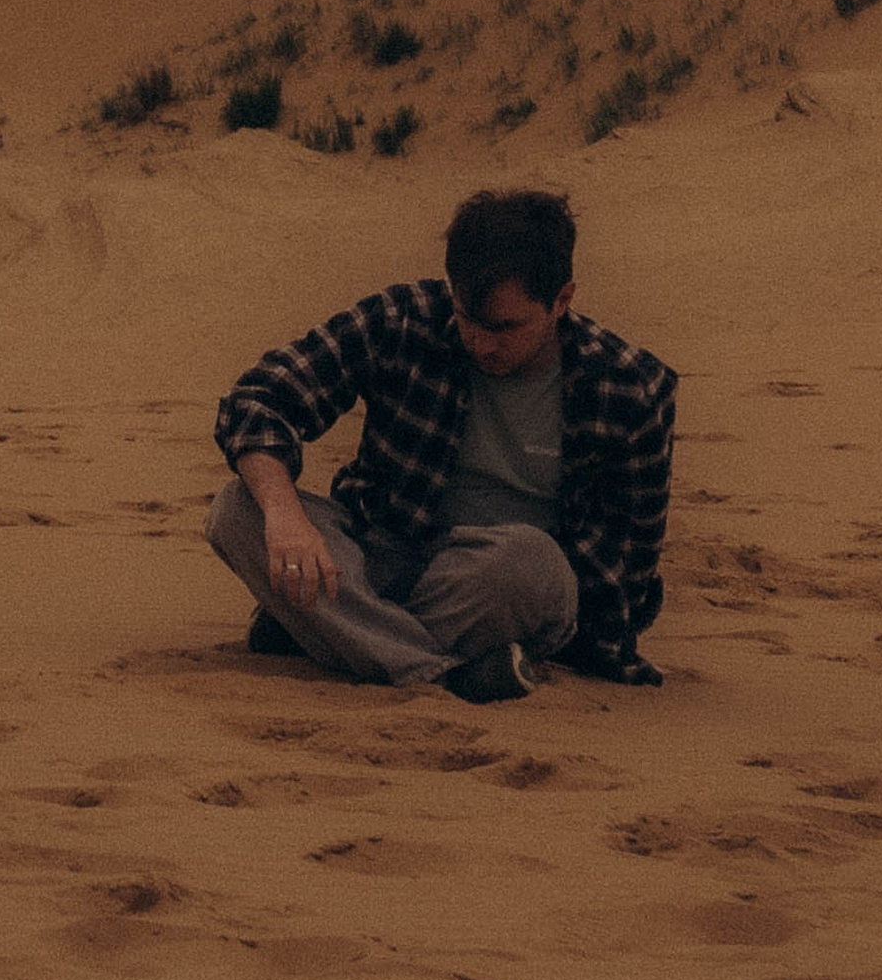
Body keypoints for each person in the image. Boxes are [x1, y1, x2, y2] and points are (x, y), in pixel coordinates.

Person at [208, 186, 674, 705]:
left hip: (495, 587)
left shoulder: (630, 386)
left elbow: (624, 569)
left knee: (529, 562)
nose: (481, 343)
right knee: (236, 507)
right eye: (467, 319)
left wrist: (601, 649)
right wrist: (284, 516)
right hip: (381, 556)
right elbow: (259, 399)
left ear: (562, 300)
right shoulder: (404, 318)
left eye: (504, 327)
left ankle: (325, 632)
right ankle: (447, 674)